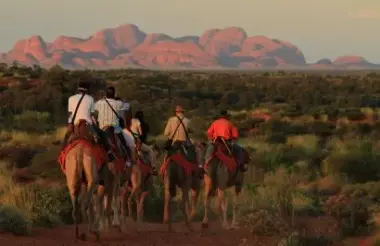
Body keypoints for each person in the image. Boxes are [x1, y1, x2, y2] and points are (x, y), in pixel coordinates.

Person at [63, 81, 116, 161]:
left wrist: (70, 124)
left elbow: (70, 114)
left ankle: (62, 153)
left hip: (75, 124)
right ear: (87, 90)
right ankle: (109, 153)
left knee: (65, 138)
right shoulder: (90, 98)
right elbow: (91, 114)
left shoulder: (71, 98)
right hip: (88, 124)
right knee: (102, 135)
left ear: (78, 89)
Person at [94, 86, 130, 157]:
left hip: (102, 127)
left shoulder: (100, 103)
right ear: (114, 94)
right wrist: (120, 100)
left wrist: (102, 99)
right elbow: (127, 106)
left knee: (95, 139)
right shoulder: (118, 103)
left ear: (106, 94)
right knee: (124, 142)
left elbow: (93, 106)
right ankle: (128, 158)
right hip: (115, 126)